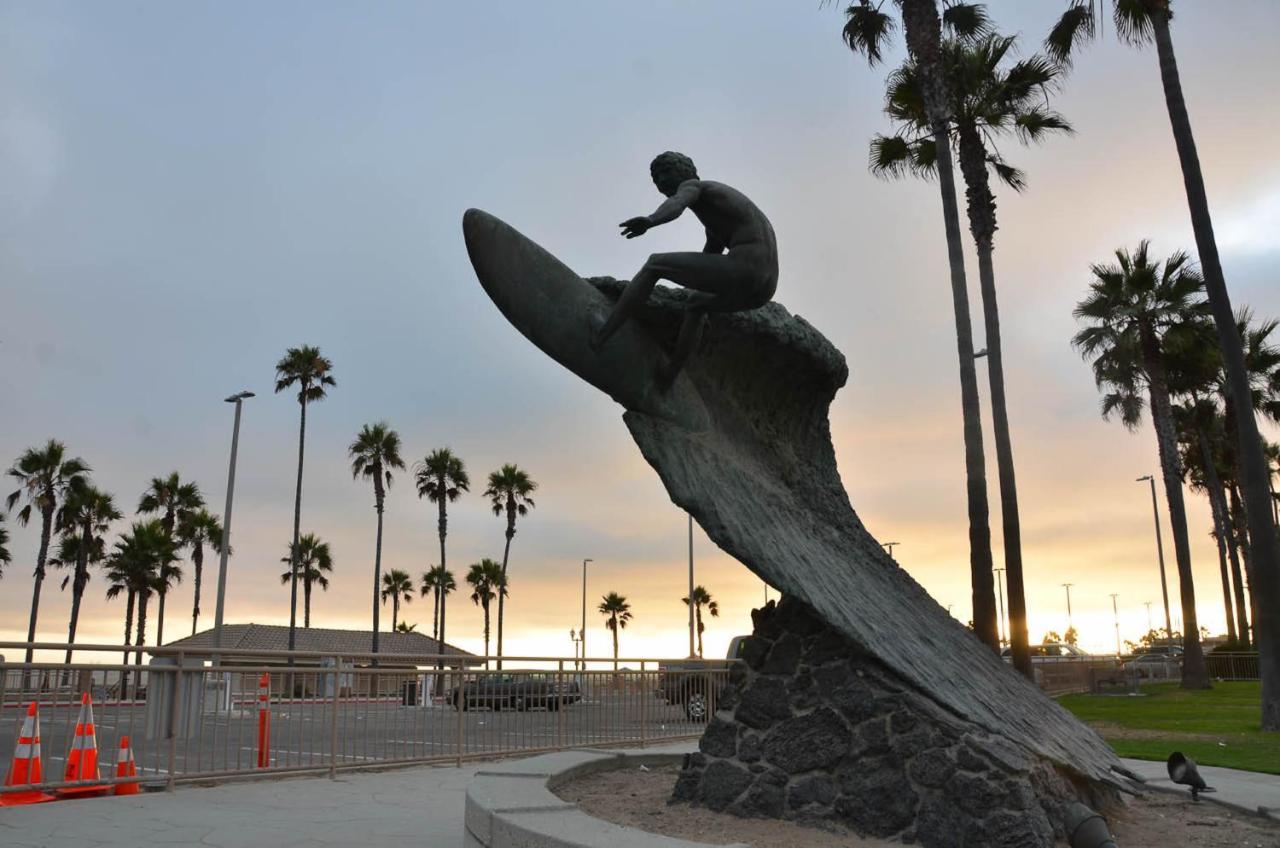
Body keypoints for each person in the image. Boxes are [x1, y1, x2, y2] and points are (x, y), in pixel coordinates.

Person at [588, 152, 778, 384]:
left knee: (654, 264)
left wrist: (650, 220)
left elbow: (676, 204)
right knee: (696, 304)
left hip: (746, 267)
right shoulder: (718, 212)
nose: (661, 181)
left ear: (687, 171)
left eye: (666, 172)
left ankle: (601, 335)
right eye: (656, 178)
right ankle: (669, 376)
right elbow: (710, 258)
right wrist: (682, 278)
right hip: (764, 288)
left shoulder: (694, 186)